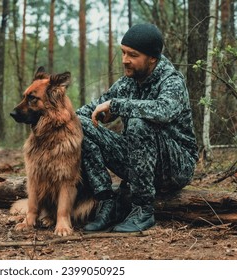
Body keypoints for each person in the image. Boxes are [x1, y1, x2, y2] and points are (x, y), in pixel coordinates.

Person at [76, 23, 199, 233]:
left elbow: (163, 110)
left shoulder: (171, 81)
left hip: (176, 166)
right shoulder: (128, 82)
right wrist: (60, 119)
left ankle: (143, 209)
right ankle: (107, 201)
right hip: (138, 161)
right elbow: (92, 109)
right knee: (81, 125)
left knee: (139, 122)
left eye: (132, 55)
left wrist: (117, 105)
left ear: (152, 58)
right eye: (123, 53)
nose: (125, 60)